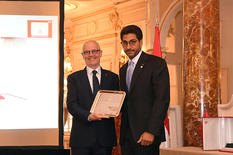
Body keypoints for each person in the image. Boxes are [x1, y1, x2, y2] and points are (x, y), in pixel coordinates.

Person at [119, 25, 170, 155]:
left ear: (141, 42)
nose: (128, 47)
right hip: (127, 136)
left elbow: (162, 100)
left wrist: (151, 131)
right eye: (125, 43)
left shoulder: (156, 64)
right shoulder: (123, 69)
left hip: (147, 135)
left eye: (132, 42)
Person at [67, 40, 119, 155]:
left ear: (100, 53)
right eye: (87, 52)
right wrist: (89, 116)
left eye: (94, 51)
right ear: (83, 55)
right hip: (81, 140)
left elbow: (116, 103)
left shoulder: (113, 78)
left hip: (105, 139)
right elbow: (71, 105)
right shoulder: (73, 78)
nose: (91, 55)